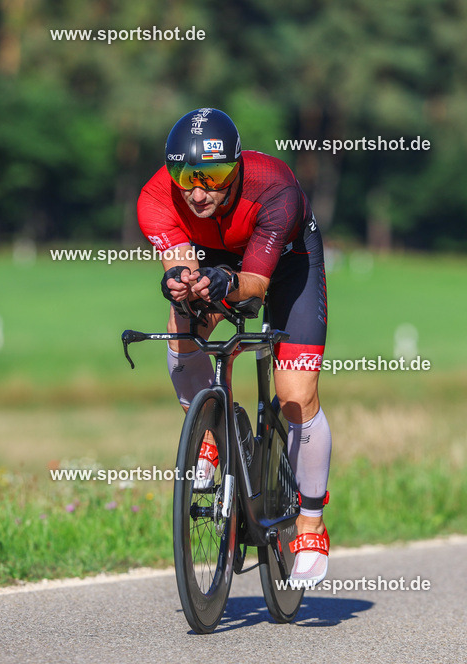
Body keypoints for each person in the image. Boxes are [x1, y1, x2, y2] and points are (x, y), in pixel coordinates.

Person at [137, 108, 332, 585]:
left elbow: (256, 286)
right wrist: (179, 283)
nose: (198, 193)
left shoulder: (275, 188)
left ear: (238, 165)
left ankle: (311, 525)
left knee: (295, 394)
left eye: (214, 176)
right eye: (187, 178)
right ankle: (208, 432)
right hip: (216, 258)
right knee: (182, 321)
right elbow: (181, 267)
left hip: (286, 266)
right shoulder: (156, 196)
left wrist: (226, 281)